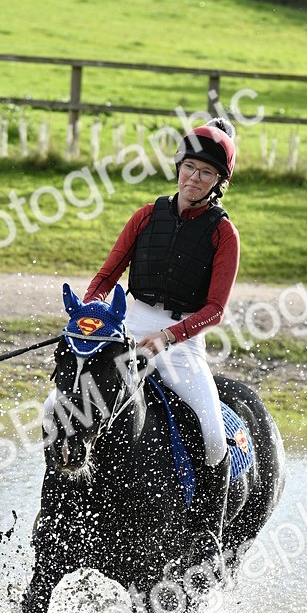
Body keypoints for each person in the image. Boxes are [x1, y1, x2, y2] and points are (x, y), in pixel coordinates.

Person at [82, 118, 240, 565]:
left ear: (218, 183)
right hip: (128, 319)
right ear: (178, 166)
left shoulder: (222, 233)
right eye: (189, 167)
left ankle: (208, 538)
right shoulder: (146, 216)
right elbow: (106, 277)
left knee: (212, 432)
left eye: (206, 173)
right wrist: (89, 315)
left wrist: (167, 336)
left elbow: (215, 310)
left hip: (182, 337)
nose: (194, 178)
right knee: (73, 392)